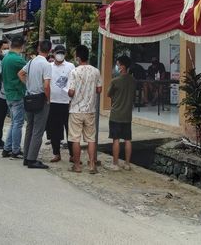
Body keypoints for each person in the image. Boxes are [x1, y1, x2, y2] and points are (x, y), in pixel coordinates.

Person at [67, 44, 103, 174]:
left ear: (77, 57)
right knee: (91, 139)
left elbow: (71, 92)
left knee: (75, 138)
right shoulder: (96, 71)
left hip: (76, 110)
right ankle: (92, 165)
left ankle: (77, 166)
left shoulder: (74, 72)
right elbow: (99, 90)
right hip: (90, 110)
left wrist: (71, 92)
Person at [19, 40, 53, 169]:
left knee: (29, 128)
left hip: (29, 97)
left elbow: (20, 74)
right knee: (38, 130)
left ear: (38, 49)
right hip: (40, 99)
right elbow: (46, 85)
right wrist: (48, 99)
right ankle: (32, 159)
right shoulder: (46, 65)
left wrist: (28, 84)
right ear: (49, 50)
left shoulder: (31, 61)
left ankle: (26, 156)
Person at [46, 44, 74, 163]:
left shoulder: (70, 66)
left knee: (70, 130)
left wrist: (72, 100)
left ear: (65, 54)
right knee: (54, 130)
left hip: (67, 102)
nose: (60, 55)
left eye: (62, 53)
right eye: (58, 53)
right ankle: (56, 153)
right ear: (53, 53)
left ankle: (73, 155)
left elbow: (74, 82)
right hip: (53, 102)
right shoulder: (49, 66)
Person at [107, 55, 136, 171]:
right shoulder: (133, 80)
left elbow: (109, 94)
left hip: (116, 114)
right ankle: (127, 164)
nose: (117, 66)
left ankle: (115, 163)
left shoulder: (115, 81)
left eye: (118, 64)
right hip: (127, 115)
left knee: (116, 139)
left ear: (122, 66)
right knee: (128, 139)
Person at [1, 36, 27, 160]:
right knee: (18, 123)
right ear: (21, 46)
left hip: (8, 94)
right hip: (17, 94)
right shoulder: (18, 60)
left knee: (13, 123)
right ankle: (15, 150)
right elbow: (28, 69)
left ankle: (7, 148)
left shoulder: (6, 58)